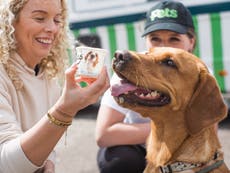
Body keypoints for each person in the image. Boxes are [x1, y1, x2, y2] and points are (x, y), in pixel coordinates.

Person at [0, 0, 110, 173]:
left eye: (57, 20)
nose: (52, 28)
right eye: (39, 18)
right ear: (10, 21)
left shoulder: (47, 75)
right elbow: (5, 164)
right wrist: (64, 111)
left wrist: (49, 162)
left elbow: (44, 145)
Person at [95, 1, 196, 173]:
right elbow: (104, 134)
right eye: (155, 39)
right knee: (119, 161)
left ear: (191, 42)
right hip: (137, 148)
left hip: (179, 151)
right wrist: (173, 128)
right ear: (146, 41)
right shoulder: (129, 67)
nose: (163, 47)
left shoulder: (200, 74)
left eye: (174, 39)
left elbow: (208, 133)